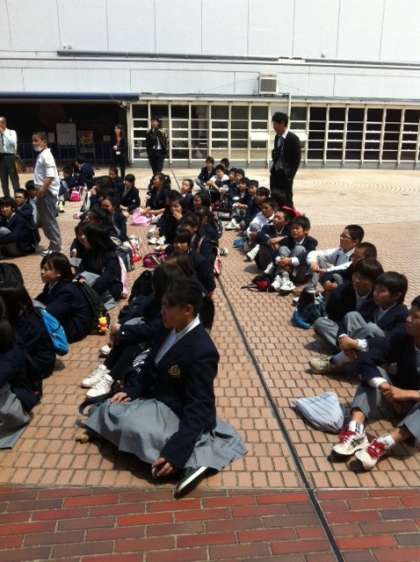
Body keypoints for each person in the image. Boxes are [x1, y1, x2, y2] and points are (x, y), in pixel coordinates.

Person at [84, 278, 246, 497]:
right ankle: (185, 453)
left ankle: (192, 460)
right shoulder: (168, 328)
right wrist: (132, 391)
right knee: (112, 408)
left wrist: (176, 453)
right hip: (158, 400)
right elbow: (150, 366)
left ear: (187, 310)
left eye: (168, 306)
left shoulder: (202, 351)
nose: (161, 311)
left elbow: (199, 404)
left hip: (180, 411)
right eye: (162, 305)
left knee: (132, 426)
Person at [330, 296, 420, 471]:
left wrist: (408, 394)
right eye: (410, 313)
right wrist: (383, 386)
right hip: (395, 398)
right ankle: (356, 430)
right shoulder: (403, 336)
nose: (408, 319)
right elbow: (368, 359)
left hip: (415, 407)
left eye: (416, 317)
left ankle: (384, 443)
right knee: (375, 373)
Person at [310, 271, 408, 374]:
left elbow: (390, 342)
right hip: (359, 346)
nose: (375, 293)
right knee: (351, 315)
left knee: (371, 328)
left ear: (396, 295)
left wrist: (355, 343)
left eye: (381, 291)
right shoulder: (373, 304)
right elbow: (345, 322)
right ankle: (348, 354)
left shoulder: (402, 314)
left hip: (379, 352)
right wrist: (343, 337)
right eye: (375, 289)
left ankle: (335, 361)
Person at [312, 258, 384, 351]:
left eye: (363, 278)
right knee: (320, 323)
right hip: (344, 331)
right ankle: (351, 351)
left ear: (374, 282)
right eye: (355, 275)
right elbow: (335, 318)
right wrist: (343, 336)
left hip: (367, 334)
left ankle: (346, 351)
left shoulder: (378, 297)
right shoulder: (341, 292)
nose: (357, 280)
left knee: (362, 322)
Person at [35, 253, 94, 343]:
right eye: (42, 268)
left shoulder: (67, 290)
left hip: (74, 328)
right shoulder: (51, 283)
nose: (42, 272)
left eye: (46, 269)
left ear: (59, 273)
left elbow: (50, 313)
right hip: (63, 318)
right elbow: (43, 298)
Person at [76, 223, 123, 308]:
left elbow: (106, 279)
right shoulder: (90, 252)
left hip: (108, 289)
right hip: (90, 284)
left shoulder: (110, 255)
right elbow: (81, 269)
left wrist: (88, 292)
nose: (83, 238)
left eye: (86, 236)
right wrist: (80, 279)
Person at [269, 216, 318, 294]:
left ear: (306, 230)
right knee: (283, 248)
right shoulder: (287, 240)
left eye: (297, 228)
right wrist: (280, 260)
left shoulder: (311, 241)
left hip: (300, 274)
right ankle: (283, 279)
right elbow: (275, 253)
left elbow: (310, 253)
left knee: (299, 248)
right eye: (292, 228)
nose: (294, 231)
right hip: (286, 270)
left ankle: (284, 278)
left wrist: (290, 261)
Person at [32, 132, 62, 256]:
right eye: (33, 141)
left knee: (49, 221)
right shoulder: (42, 155)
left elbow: (50, 176)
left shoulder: (47, 156)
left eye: (36, 140)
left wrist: (42, 190)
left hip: (46, 193)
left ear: (44, 141)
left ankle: (55, 247)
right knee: (44, 221)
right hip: (42, 192)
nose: (34, 143)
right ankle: (53, 245)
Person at [307, 224, 365, 289]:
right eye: (341, 236)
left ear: (355, 242)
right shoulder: (340, 251)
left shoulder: (358, 256)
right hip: (333, 277)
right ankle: (310, 289)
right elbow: (314, 253)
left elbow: (345, 266)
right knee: (318, 258)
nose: (341, 238)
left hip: (347, 284)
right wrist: (313, 263)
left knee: (337, 277)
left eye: (345, 237)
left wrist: (327, 270)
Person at [270, 112, 301, 207]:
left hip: (286, 175)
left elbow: (296, 159)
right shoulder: (277, 137)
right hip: (276, 173)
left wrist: (290, 175)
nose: (273, 127)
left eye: (275, 124)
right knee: (275, 197)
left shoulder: (293, 138)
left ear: (282, 123)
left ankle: (290, 214)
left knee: (287, 198)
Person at [0, 117, 19, 197]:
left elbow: (13, 142)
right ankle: (7, 198)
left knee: (14, 178)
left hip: (10, 156)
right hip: (1, 157)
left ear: (4, 123)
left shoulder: (12, 132)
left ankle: (18, 197)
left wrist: (3, 133)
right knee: (3, 179)